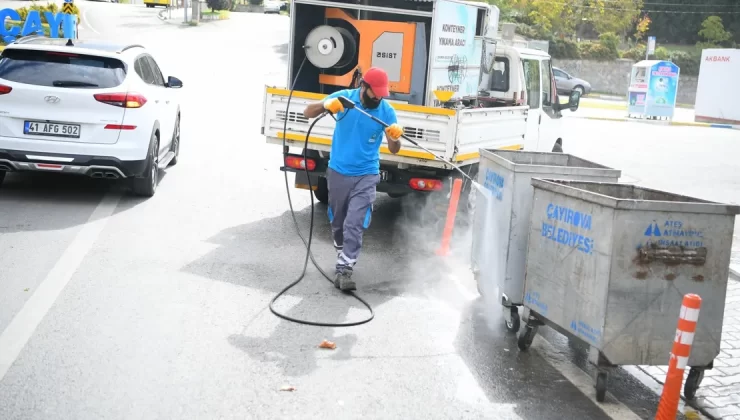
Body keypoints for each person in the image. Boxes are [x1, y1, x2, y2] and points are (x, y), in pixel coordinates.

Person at [303, 67, 404, 291]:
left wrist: (396, 138)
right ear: (363, 86)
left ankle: (345, 268)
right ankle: (341, 250)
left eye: (381, 94)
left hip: (367, 173)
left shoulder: (386, 112)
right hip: (338, 171)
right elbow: (307, 113)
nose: (378, 97)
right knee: (338, 221)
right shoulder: (344, 100)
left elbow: (394, 149)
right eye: (374, 92)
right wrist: (326, 105)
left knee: (354, 222)